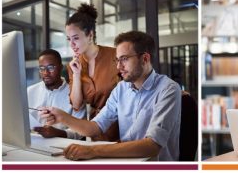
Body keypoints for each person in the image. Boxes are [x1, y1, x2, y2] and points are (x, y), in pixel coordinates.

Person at [39, 31, 182, 161]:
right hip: (126, 163)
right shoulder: (121, 88)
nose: (119, 67)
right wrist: (62, 116)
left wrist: (93, 150)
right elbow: (95, 127)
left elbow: (152, 146)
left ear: (144, 59)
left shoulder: (168, 89)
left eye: (124, 59)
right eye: (117, 60)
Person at [66, 3, 121, 141]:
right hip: (95, 130)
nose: (71, 44)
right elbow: (77, 105)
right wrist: (77, 75)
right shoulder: (73, 66)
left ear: (90, 35)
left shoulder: (115, 55)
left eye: (76, 38)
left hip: (122, 127)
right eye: (69, 39)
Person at [27, 49, 86, 139]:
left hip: (63, 145)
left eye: (51, 68)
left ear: (61, 67)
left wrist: (58, 133)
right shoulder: (29, 91)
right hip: (33, 142)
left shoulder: (75, 93)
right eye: (42, 68)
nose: (46, 73)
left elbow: (82, 130)